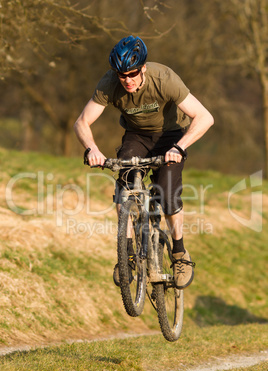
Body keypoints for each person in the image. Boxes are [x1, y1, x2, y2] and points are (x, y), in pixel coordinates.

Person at [74, 35, 214, 289]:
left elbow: (205, 117)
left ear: (144, 68)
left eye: (133, 74)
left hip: (171, 137)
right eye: (122, 75)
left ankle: (180, 254)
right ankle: (126, 256)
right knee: (124, 190)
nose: (127, 80)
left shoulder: (165, 79)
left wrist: (180, 147)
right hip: (136, 136)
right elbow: (82, 122)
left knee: (168, 196)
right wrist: (92, 148)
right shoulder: (109, 84)